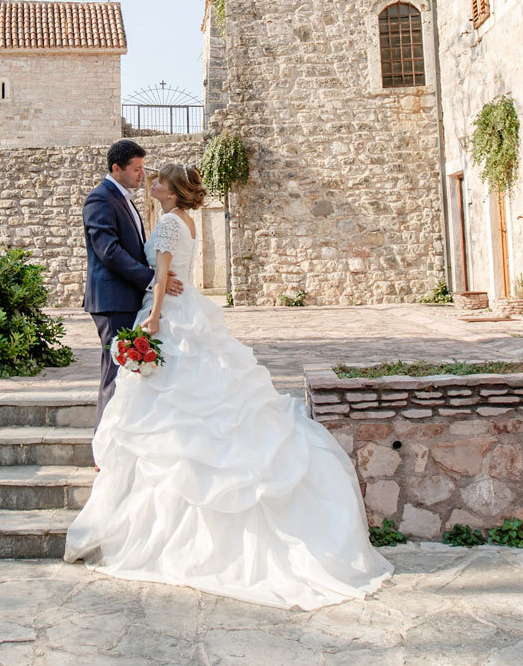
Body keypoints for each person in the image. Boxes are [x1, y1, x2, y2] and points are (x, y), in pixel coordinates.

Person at [66, 162, 392, 610]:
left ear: (173, 190)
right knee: (194, 404)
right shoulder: (187, 220)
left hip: (168, 315)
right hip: (191, 312)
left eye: (159, 179)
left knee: (167, 408)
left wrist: (155, 318)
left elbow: (161, 278)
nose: (152, 183)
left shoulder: (165, 223)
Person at [82, 139, 183, 430]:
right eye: (137, 168)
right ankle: (105, 448)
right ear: (117, 168)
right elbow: (109, 252)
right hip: (113, 300)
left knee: (126, 373)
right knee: (115, 374)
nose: (142, 174)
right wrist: (154, 279)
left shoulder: (122, 198)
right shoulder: (100, 199)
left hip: (127, 297)